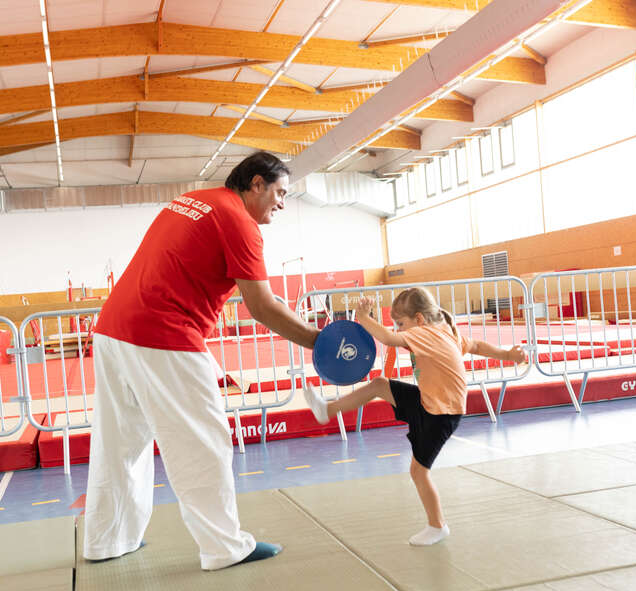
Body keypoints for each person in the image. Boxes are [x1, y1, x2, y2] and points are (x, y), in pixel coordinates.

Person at [84, 151, 320, 569]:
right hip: (163, 333)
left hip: (112, 329)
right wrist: (318, 343)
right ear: (256, 184)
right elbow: (262, 306)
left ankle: (107, 541)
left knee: (119, 443)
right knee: (203, 442)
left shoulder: (195, 200)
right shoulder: (239, 223)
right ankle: (224, 548)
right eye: (280, 192)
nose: (282, 203)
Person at [304, 287, 525, 546]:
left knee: (419, 471)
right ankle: (327, 410)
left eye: (401, 323)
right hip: (428, 402)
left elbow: (387, 338)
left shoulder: (425, 332)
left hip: (441, 413)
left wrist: (363, 318)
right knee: (380, 385)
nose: (399, 329)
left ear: (419, 319)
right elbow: (475, 345)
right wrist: (507, 354)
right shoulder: (446, 332)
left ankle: (437, 525)